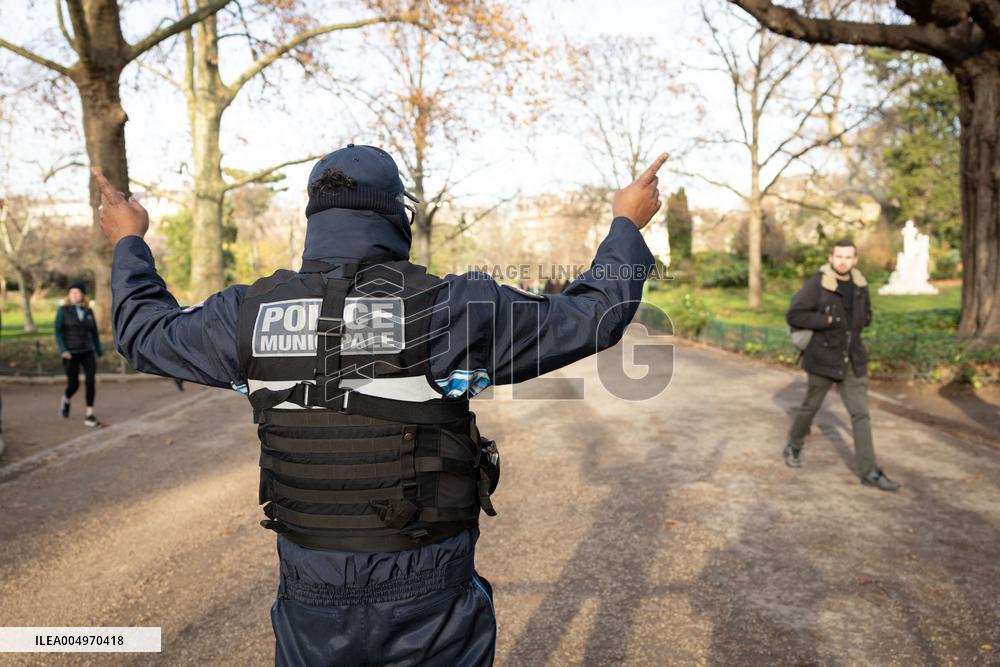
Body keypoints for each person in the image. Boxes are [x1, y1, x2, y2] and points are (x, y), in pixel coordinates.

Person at [92, 145, 665, 665]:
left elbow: (143, 331)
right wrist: (626, 225)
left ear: (313, 219)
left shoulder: (245, 315)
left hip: (310, 582)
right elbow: (596, 315)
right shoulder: (451, 307)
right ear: (398, 218)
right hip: (427, 582)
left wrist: (128, 240)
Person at [784, 239, 900, 491]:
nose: (843, 261)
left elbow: (866, 314)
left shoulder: (860, 284)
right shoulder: (818, 284)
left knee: (861, 413)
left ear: (855, 259)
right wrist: (826, 319)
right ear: (831, 257)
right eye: (839, 256)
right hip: (823, 358)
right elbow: (794, 315)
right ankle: (793, 445)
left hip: (853, 359)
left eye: (848, 257)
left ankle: (869, 471)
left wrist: (864, 318)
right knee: (810, 407)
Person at [55, 281, 103, 426]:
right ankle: (66, 399)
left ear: (83, 295)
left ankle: (89, 414)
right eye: (72, 292)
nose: (75, 295)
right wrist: (64, 350)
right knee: (73, 384)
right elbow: (58, 332)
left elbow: (94, 332)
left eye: (78, 292)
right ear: (69, 295)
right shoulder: (63, 311)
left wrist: (99, 351)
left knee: (90, 381)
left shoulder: (89, 311)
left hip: (88, 351)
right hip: (71, 353)